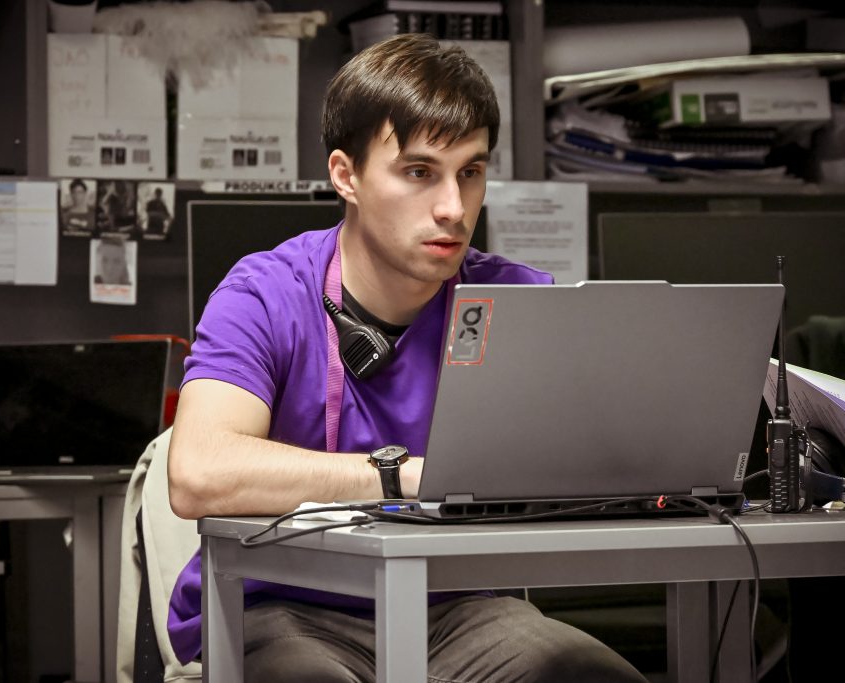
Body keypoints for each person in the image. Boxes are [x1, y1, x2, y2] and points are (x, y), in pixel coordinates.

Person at [166, 34, 647, 683]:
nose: (453, 207)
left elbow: (601, 460)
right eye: (420, 172)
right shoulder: (265, 293)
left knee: (594, 676)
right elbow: (199, 474)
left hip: (456, 610)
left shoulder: (517, 300)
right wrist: (406, 478)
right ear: (346, 176)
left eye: (470, 172)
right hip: (279, 604)